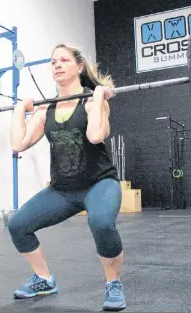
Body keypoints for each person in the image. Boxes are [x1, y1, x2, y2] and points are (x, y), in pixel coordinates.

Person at [8, 43, 126, 311]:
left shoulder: (91, 102)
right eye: (53, 62)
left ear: (79, 66)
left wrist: (97, 99)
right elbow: (18, 144)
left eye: (63, 60)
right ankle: (43, 279)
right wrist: (19, 110)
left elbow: (96, 135)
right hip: (62, 190)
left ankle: (113, 282)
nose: (57, 65)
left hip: (99, 184)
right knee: (17, 225)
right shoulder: (45, 110)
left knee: (102, 223)